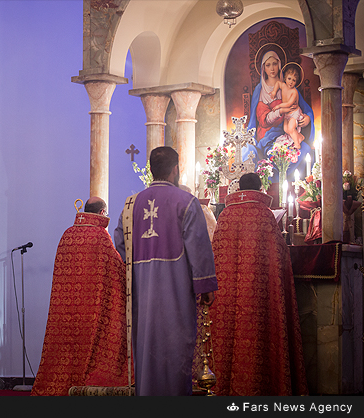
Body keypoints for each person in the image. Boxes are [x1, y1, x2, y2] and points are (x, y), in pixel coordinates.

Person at [114, 146, 218, 396]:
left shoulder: (130, 205)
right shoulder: (187, 202)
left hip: (143, 293)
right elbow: (199, 248)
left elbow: (120, 243)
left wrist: (141, 262)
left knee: (146, 350)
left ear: (151, 171)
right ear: (175, 170)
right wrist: (205, 287)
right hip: (176, 292)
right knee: (175, 350)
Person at [209, 173, 308, 396]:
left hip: (228, 299)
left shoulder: (225, 215)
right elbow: (279, 257)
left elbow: (215, 255)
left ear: (238, 187)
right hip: (259, 299)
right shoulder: (264, 215)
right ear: (261, 188)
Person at [31, 196, 131, 396]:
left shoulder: (67, 234)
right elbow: (116, 269)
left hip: (66, 311)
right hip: (92, 311)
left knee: (66, 352)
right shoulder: (101, 237)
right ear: (102, 213)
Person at [242, 49, 314, 180]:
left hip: (287, 134)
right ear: (263, 68)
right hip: (266, 137)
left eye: (274, 64)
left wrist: (308, 117)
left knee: (305, 149)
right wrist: (279, 111)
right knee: (265, 155)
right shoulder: (260, 89)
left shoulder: (289, 86)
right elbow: (256, 118)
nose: (272, 68)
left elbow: (305, 108)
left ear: (279, 65)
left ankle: (296, 186)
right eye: (268, 65)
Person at [271, 64, 306, 148]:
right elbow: (278, 83)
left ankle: (297, 144)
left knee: (291, 128)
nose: (291, 82)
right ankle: (300, 136)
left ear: (296, 82)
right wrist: (274, 91)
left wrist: (278, 106)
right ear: (285, 78)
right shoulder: (283, 85)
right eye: (289, 79)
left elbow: (289, 104)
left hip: (294, 112)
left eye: (293, 80)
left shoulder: (294, 92)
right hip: (287, 114)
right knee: (286, 129)